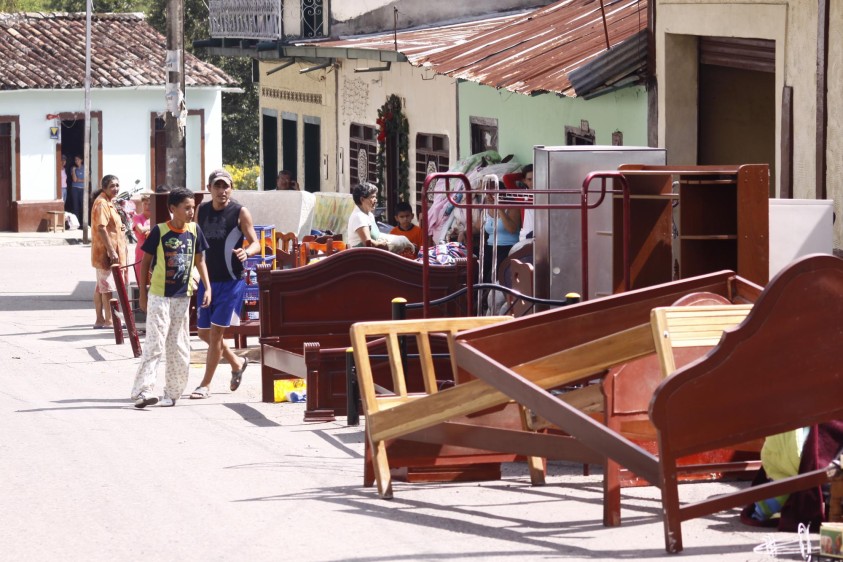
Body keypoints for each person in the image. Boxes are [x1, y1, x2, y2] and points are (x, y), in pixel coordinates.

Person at [130, 187, 211, 408]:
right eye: (186, 208)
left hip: (182, 297)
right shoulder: (159, 231)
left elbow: (200, 260)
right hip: (159, 295)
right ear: (172, 209)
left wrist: (208, 287)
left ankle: (172, 393)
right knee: (155, 344)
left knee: (179, 345)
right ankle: (142, 391)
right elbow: (145, 262)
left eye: (192, 208)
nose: (190, 212)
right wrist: (143, 294)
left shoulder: (194, 231)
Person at [192, 169, 259, 399]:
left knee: (217, 334)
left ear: (231, 188)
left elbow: (256, 243)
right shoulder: (201, 210)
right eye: (218, 186)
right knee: (203, 332)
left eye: (226, 186)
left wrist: (246, 252)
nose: (222, 191)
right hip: (207, 281)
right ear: (210, 188)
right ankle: (236, 362)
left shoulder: (240, 212)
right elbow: (194, 240)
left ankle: (205, 385)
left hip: (231, 281)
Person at [90, 175, 128, 329]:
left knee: (101, 287)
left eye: (117, 185)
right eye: (112, 185)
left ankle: (100, 320)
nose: (116, 188)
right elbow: (101, 228)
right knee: (107, 288)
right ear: (104, 187)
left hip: (111, 251)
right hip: (105, 253)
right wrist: (112, 251)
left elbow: (112, 226)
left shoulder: (109, 202)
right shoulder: (101, 203)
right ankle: (109, 321)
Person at [482, 183, 522, 283]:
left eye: (492, 194)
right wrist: (462, 232)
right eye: (487, 193)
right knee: (480, 273)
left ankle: (489, 297)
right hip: (490, 247)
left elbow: (512, 229)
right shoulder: (486, 208)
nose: (489, 197)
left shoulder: (512, 207)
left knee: (492, 277)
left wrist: (499, 208)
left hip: (507, 248)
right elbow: (477, 227)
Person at [347, 183, 388, 249]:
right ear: (362, 199)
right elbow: (368, 243)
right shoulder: (358, 217)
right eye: (372, 197)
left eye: (375, 197)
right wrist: (382, 244)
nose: (376, 200)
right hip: (360, 255)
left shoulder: (369, 215)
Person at [131, 193, 152, 284]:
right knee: (142, 279)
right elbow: (141, 230)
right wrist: (154, 226)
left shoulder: (156, 216)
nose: (147, 206)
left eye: (149, 204)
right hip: (141, 250)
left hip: (154, 251)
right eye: (145, 204)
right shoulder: (137, 217)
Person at [519, 164, 534, 241]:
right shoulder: (521, 196)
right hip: (525, 237)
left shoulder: (547, 193)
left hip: (543, 235)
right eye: (529, 179)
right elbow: (507, 178)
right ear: (524, 180)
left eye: (536, 178)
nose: (533, 182)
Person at [69, 155, 85, 226]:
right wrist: (73, 170)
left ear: (82, 160)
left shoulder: (85, 167)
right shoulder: (73, 168)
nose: (76, 161)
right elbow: (74, 179)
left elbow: (88, 179)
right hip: (75, 189)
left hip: (83, 189)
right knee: (76, 206)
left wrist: (79, 180)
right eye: (75, 160)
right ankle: (76, 223)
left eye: (78, 159)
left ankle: (83, 223)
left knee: (83, 206)